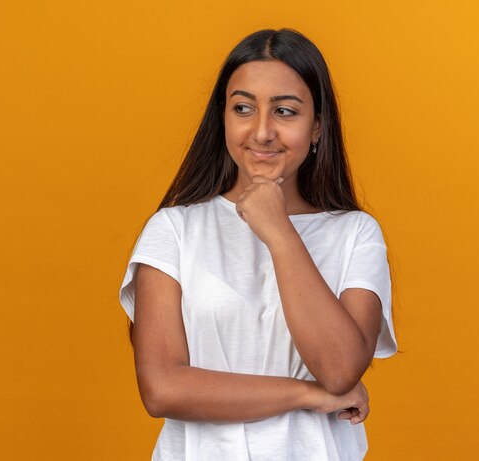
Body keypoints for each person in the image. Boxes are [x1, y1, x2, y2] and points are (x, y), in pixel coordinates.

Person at [119, 28, 398, 461]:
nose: (262, 131)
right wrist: (307, 395)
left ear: (318, 125)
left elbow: (340, 369)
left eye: (285, 111)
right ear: (224, 119)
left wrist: (278, 230)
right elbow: (162, 389)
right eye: (243, 108)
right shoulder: (174, 229)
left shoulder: (356, 234)